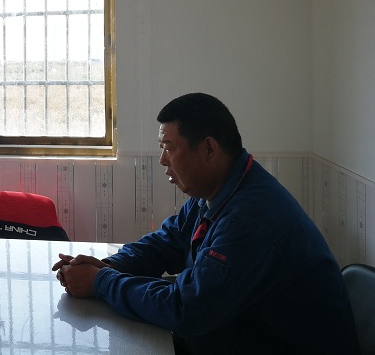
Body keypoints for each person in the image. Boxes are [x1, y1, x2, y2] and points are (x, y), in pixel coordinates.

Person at [53, 92, 360, 354]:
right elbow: (168, 241)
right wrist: (110, 266)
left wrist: (101, 282)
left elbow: (187, 308)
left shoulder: (250, 218)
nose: (162, 160)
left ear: (209, 149)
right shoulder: (219, 190)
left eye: (169, 147)